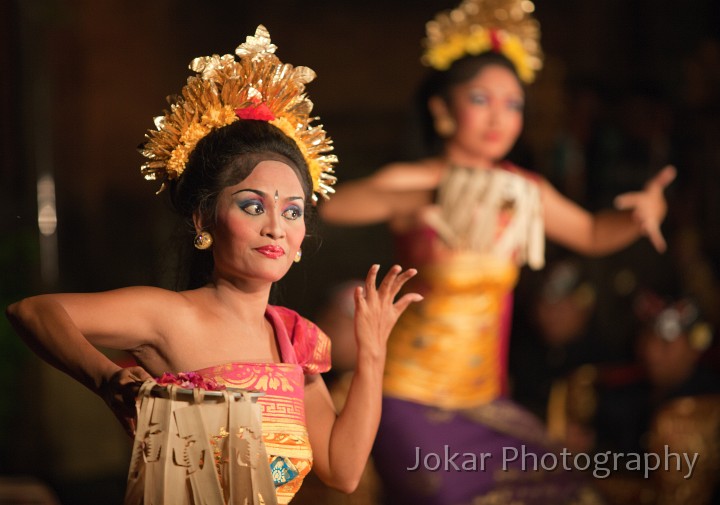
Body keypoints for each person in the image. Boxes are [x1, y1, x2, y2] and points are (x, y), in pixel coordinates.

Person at [6, 25, 422, 504]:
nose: (276, 227)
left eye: (292, 211)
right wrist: (103, 378)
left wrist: (372, 353)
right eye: (252, 205)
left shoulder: (295, 341)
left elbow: (343, 471)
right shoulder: (167, 315)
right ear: (204, 218)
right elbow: (32, 311)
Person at [319, 1, 675, 503]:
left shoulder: (523, 190)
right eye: (481, 98)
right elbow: (335, 207)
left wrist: (641, 215)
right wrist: (430, 195)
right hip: (407, 397)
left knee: (571, 492)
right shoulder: (419, 180)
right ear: (442, 111)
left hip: (485, 402)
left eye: (512, 104)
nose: (498, 117)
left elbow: (593, 232)